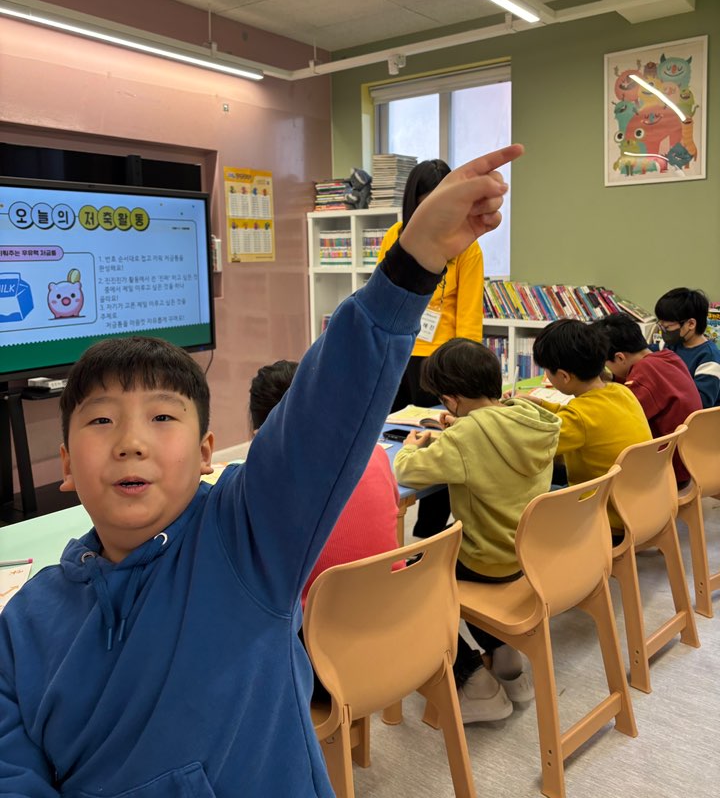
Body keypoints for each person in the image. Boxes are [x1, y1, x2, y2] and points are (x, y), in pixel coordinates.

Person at [0, 142, 522, 797]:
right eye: (101, 420)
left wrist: (412, 265)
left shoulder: (245, 542)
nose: (131, 442)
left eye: (161, 417)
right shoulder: (22, 626)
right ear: (67, 465)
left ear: (206, 453)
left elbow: (322, 416)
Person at [394, 338, 560, 723]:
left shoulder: (464, 438)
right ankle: (508, 663)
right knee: (443, 564)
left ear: (452, 399)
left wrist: (411, 445)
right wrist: (463, 426)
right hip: (527, 555)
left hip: (486, 560)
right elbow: (490, 433)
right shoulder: (533, 417)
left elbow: (407, 471)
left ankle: (474, 682)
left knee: (406, 586)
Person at [377, 159, 485, 538]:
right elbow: (383, 296)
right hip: (399, 350)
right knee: (388, 436)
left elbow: (469, 312)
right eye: (426, 201)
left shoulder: (467, 246)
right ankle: (381, 511)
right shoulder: (396, 236)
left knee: (440, 439)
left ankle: (428, 533)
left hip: (441, 359)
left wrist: (461, 367)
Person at [241, 358, 400, 607]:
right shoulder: (375, 454)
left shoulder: (258, 482)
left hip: (317, 624)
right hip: (395, 605)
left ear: (259, 431)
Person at [528, 319, 652, 532]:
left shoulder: (578, 418)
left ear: (564, 376)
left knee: (529, 495)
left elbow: (530, 448)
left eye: (547, 370)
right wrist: (541, 404)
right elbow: (579, 418)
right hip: (644, 505)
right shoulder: (621, 391)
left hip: (608, 517)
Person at [597, 313, 701, 487]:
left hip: (666, 473)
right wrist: (612, 378)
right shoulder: (667, 357)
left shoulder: (642, 376)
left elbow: (617, 420)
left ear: (620, 357)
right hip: (688, 462)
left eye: (606, 365)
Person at [654, 287, 720, 408]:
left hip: (692, 416)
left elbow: (700, 403)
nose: (664, 332)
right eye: (661, 326)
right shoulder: (671, 344)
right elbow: (644, 353)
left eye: (667, 328)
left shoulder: (709, 358)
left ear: (691, 324)